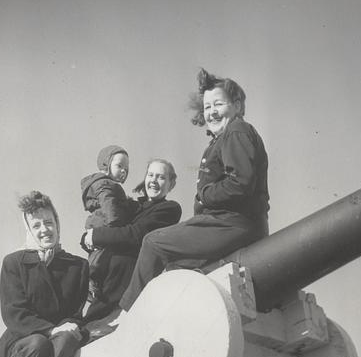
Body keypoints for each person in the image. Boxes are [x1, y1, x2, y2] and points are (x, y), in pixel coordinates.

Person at [116, 68, 269, 315]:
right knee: (176, 268)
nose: (212, 112)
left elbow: (240, 182)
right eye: (207, 107)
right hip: (236, 224)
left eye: (218, 104)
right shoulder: (223, 138)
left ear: (237, 105)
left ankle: (128, 314)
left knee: (154, 243)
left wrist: (205, 196)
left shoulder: (236, 130)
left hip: (234, 223)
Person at [0, 191, 88, 357]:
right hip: (22, 343)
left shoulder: (78, 266)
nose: (44, 229)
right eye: (36, 225)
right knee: (38, 342)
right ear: (28, 230)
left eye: (49, 222)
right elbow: (14, 314)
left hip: (58, 344)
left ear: (58, 224)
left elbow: (74, 313)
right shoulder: (13, 263)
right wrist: (51, 329)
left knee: (69, 336)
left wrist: (64, 328)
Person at [80, 158, 182, 323]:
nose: (154, 181)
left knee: (95, 323)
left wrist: (96, 236)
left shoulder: (169, 209)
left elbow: (135, 235)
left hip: (126, 281)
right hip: (106, 278)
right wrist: (86, 237)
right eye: (150, 175)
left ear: (171, 185)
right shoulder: (132, 206)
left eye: (161, 177)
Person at [80, 145, 138, 304]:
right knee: (99, 255)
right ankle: (89, 281)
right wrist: (115, 223)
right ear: (106, 166)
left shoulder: (108, 184)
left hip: (103, 223)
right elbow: (109, 204)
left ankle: (94, 283)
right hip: (104, 224)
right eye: (119, 166)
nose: (123, 171)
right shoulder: (105, 184)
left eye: (126, 168)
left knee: (102, 256)